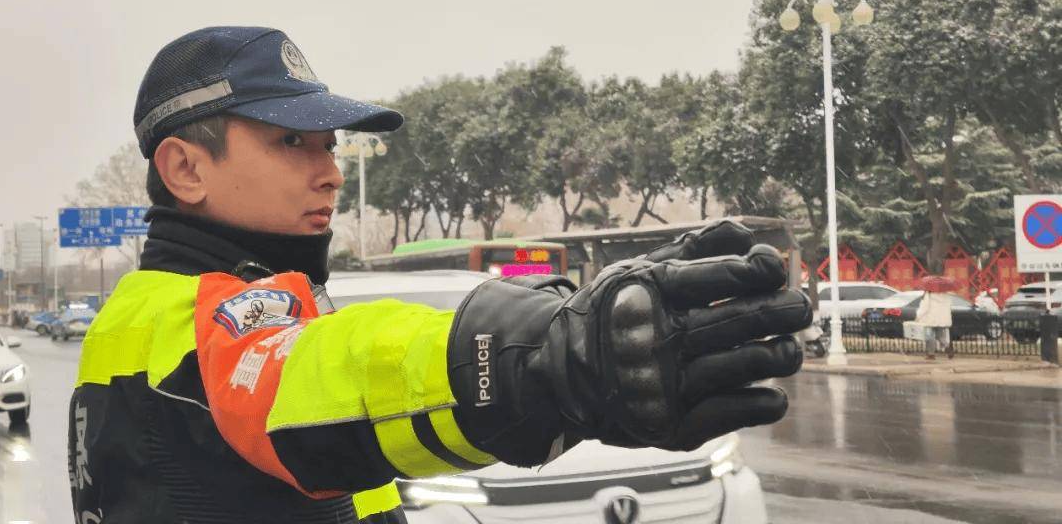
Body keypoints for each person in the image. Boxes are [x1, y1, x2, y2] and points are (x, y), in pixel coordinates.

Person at [67, 26, 812, 524]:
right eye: (292, 141)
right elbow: (327, 371)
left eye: (330, 146)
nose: (330, 173)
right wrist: (537, 360)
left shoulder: (176, 307)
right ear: (186, 168)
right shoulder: (189, 315)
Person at [917, 290, 953, 360]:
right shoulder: (946, 294)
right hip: (942, 319)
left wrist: (918, 316)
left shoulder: (929, 294)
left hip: (930, 319)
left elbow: (925, 307)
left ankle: (931, 354)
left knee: (929, 337)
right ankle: (947, 347)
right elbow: (949, 306)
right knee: (940, 336)